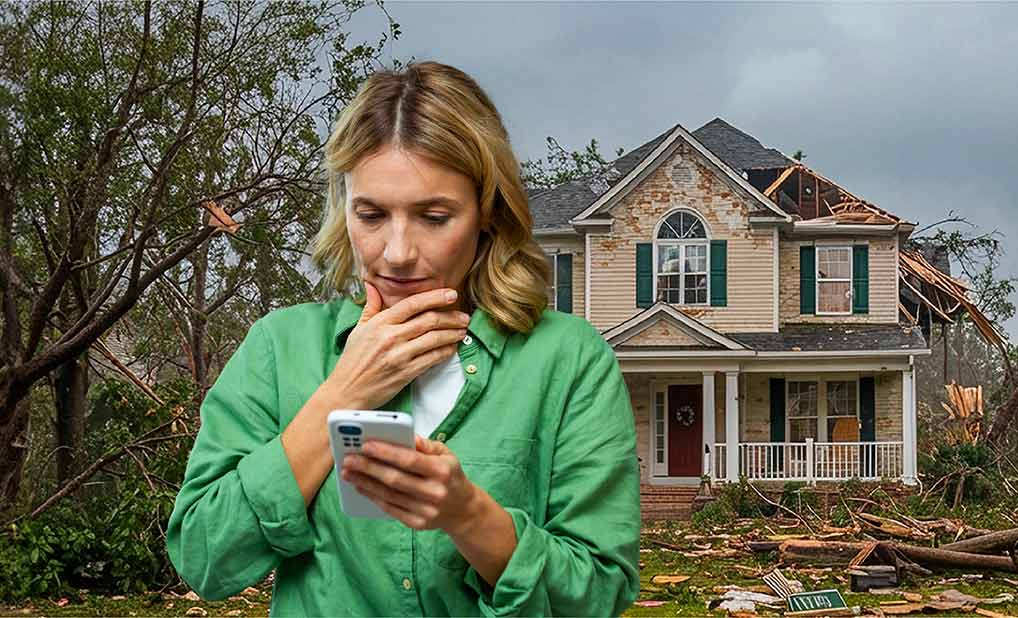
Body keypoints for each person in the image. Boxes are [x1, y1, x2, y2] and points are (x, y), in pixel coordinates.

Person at [165, 60, 641, 617]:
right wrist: (340, 396)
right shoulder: (279, 347)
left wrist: (469, 516)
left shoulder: (568, 361)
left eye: (434, 217)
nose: (396, 252)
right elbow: (204, 557)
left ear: (486, 212)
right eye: (370, 214)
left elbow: (599, 593)